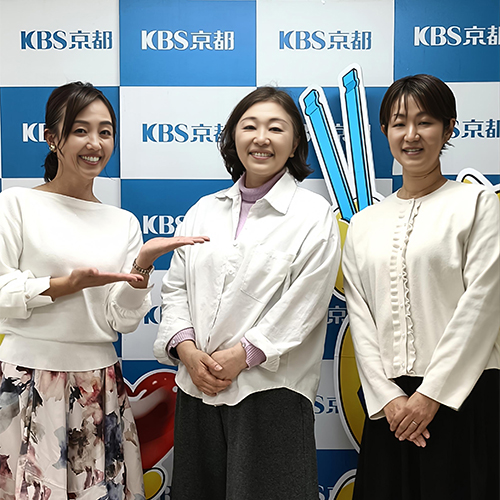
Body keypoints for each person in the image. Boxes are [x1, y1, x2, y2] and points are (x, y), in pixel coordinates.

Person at [0, 82, 208, 500]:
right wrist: (65, 286)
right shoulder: (15, 203)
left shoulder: (123, 222)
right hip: (27, 379)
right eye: (80, 130)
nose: (95, 143)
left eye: (105, 132)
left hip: (99, 384)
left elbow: (122, 320)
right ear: (52, 137)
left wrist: (141, 268)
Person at [154, 87, 341, 500]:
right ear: (232, 136)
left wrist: (243, 355)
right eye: (250, 126)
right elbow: (176, 288)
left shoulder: (313, 215)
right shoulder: (204, 209)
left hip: (270, 392)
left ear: (295, 141)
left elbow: (306, 303)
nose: (261, 138)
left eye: (276, 128)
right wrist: (187, 350)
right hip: (198, 386)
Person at [342, 74, 500, 499]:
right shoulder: (363, 224)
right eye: (399, 123)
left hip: (463, 397)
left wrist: (431, 394)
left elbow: (482, 305)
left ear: (449, 129)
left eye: (425, 122)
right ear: (385, 132)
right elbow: (361, 319)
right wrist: (389, 399)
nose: (411, 135)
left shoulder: (477, 203)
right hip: (390, 410)